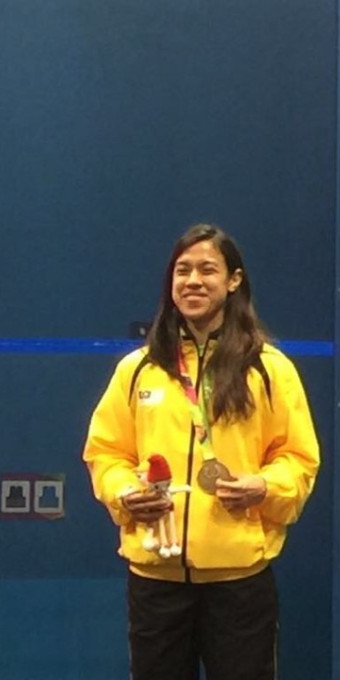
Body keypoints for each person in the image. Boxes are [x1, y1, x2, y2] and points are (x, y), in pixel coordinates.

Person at [82, 223, 319, 680]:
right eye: (182, 270)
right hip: (155, 579)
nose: (193, 281)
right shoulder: (138, 369)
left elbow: (298, 458)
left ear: (233, 280)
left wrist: (264, 486)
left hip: (239, 581)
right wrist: (124, 492)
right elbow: (106, 452)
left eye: (207, 270)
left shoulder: (270, 369)